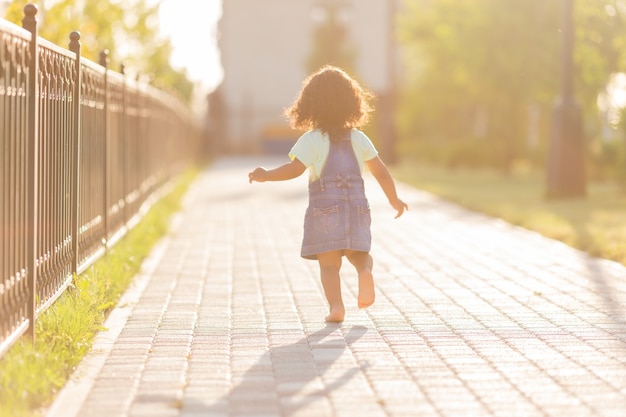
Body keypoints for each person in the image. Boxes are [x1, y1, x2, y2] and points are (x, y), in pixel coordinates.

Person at [248, 66, 408, 322]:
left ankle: (336, 307)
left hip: (325, 212)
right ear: (352, 103)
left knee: (329, 265)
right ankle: (364, 272)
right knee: (359, 254)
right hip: (357, 209)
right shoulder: (359, 138)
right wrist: (394, 200)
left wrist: (267, 175)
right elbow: (381, 172)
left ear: (310, 105)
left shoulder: (311, 140)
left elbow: (294, 169)